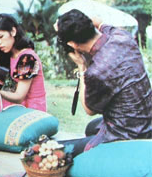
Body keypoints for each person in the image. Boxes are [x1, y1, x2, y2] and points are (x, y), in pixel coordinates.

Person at [55, 9, 152, 156]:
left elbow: (89, 109)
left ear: (73, 44)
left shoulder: (96, 72)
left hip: (128, 135)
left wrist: (81, 67)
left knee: (55, 149)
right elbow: (98, 18)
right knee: (91, 128)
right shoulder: (122, 36)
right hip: (146, 121)